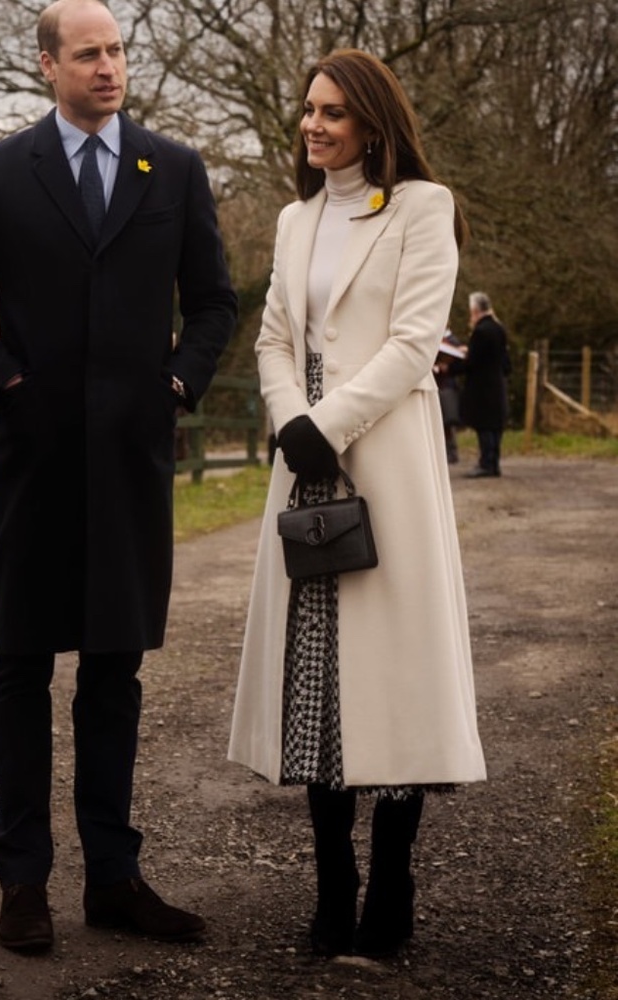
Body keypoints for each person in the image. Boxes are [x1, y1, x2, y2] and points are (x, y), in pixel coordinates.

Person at [0, 0, 237, 953]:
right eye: (89, 53)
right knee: (20, 666)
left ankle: (114, 878)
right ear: (48, 65)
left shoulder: (173, 169)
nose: (109, 66)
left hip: (132, 465)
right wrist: (5, 382)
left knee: (114, 671)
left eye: (117, 50)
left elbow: (214, 303)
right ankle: (23, 883)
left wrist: (176, 384)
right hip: (34, 462)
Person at [228, 49, 486, 960]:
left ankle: (394, 884)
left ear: (372, 123)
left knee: (393, 673)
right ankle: (334, 889)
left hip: (385, 462)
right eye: (309, 109)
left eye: (332, 112)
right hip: (305, 469)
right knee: (316, 677)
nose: (313, 124)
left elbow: (415, 342)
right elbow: (272, 338)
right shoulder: (296, 220)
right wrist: (292, 422)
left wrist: (328, 422)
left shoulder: (423, 207)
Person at [453, 292, 511, 477]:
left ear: (475, 310)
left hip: (482, 386)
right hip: (497, 382)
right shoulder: (498, 328)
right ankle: (493, 463)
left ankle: (485, 463)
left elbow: (473, 361)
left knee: (484, 425)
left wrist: (451, 367)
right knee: (495, 426)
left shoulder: (480, 331)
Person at [434, 327, 465, 464]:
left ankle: (451, 452)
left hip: (447, 385)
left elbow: (459, 364)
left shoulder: (452, 341)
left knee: (448, 421)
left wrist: (447, 367)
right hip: (436, 383)